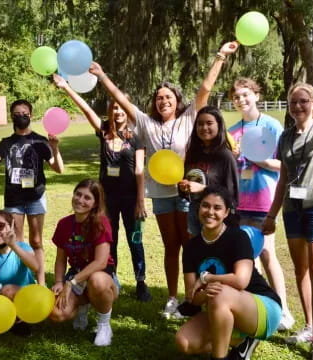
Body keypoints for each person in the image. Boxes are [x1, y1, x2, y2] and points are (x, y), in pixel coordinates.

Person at [89, 41, 239, 317]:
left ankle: (192, 298)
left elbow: (205, 89)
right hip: (160, 194)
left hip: (187, 195)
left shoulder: (188, 119)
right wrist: (101, 76)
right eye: (159, 97)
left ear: (176, 100)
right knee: (171, 246)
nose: (163, 101)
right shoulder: (145, 124)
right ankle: (172, 298)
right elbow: (121, 100)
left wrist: (220, 56)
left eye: (168, 97)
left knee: (191, 247)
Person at [263, 80, 313, 360]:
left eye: (304, 101)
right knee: (302, 271)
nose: (298, 106)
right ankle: (309, 326)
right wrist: (271, 215)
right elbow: (284, 178)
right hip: (292, 210)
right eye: (294, 102)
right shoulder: (285, 137)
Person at [53, 73, 151, 302]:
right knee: (109, 240)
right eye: (114, 108)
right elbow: (87, 110)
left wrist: (140, 202)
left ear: (128, 111)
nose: (118, 112)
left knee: (135, 239)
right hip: (106, 200)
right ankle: (111, 277)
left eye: (122, 108)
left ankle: (141, 281)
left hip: (129, 199)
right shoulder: (104, 131)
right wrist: (66, 87)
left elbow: (139, 170)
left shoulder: (136, 138)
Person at [175, 186, 282, 360]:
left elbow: (241, 281)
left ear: (226, 213)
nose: (210, 212)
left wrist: (207, 278)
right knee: (184, 342)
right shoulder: (191, 247)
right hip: (222, 306)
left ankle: (220, 357)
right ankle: (241, 342)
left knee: (219, 292)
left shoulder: (238, 237)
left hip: (262, 308)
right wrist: (204, 295)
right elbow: (191, 297)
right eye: (205, 206)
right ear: (198, 208)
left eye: (217, 208)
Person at [227, 78, 295, 331]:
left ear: (256, 95)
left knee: (267, 254)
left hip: (265, 202)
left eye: (246, 94)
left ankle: (284, 310)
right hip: (238, 204)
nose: (241, 100)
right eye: (236, 97)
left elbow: (285, 165)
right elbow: (231, 169)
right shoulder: (232, 131)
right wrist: (233, 159)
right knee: (246, 259)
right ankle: (255, 308)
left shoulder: (271, 126)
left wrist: (261, 159)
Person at [0, 100, 64, 285]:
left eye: (25, 113)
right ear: (12, 117)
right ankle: (22, 280)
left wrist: (55, 148)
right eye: (17, 113)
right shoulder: (7, 143)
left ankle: (40, 282)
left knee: (37, 240)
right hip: (14, 200)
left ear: (31, 116)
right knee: (16, 242)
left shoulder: (40, 140)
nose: (21, 116)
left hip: (36, 198)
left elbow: (58, 169)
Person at [49, 179, 119, 347]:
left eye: (87, 198)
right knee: (57, 314)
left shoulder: (101, 223)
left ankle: (103, 325)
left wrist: (71, 282)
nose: (80, 200)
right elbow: (60, 259)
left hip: (101, 276)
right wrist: (59, 281)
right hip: (76, 275)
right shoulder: (64, 223)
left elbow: (101, 262)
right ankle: (82, 307)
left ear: (95, 204)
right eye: (78, 194)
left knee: (97, 281)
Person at [178, 105, 239, 238]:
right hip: (194, 211)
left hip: (217, 216)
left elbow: (231, 194)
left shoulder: (225, 156)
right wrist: (184, 186)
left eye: (209, 123)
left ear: (219, 125)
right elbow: (188, 186)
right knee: (196, 254)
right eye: (200, 124)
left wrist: (203, 188)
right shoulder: (192, 153)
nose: (204, 128)